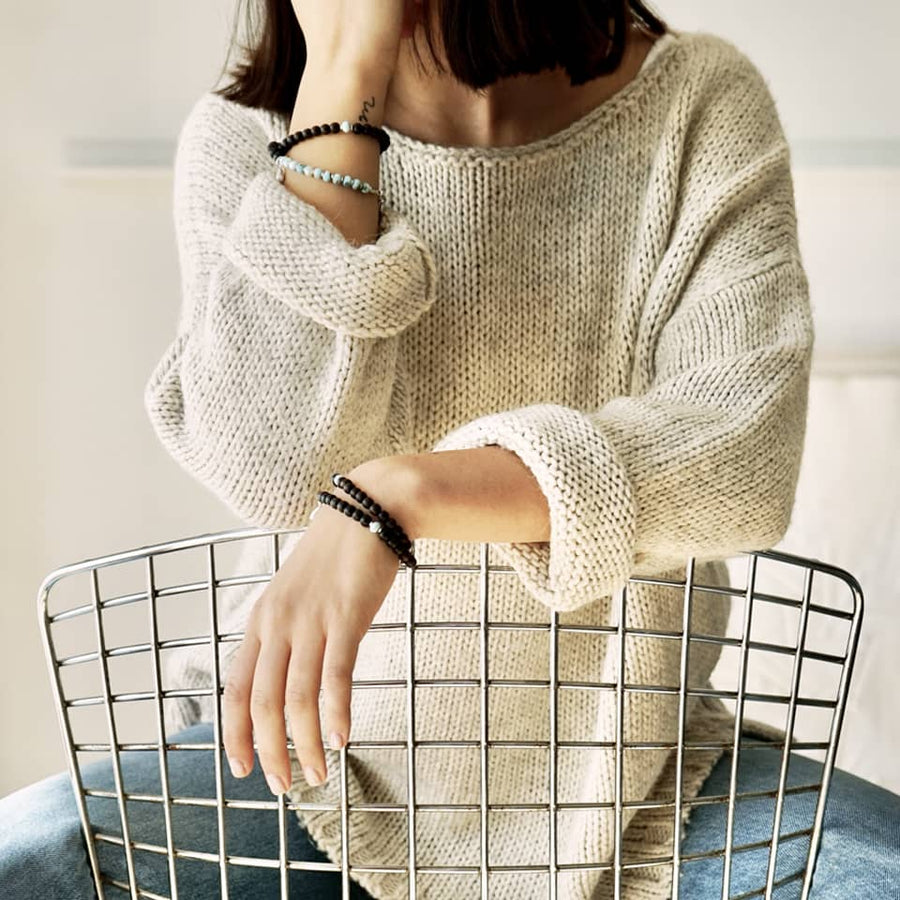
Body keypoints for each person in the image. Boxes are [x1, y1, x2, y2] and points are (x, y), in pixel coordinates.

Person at [2, 1, 898, 898]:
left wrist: (400, 494)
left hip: (644, 782)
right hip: (303, 774)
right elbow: (269, 470)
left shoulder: (698, 102)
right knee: (30, 858)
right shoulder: (249, 134)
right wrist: (341, 85)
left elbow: (739, 456)